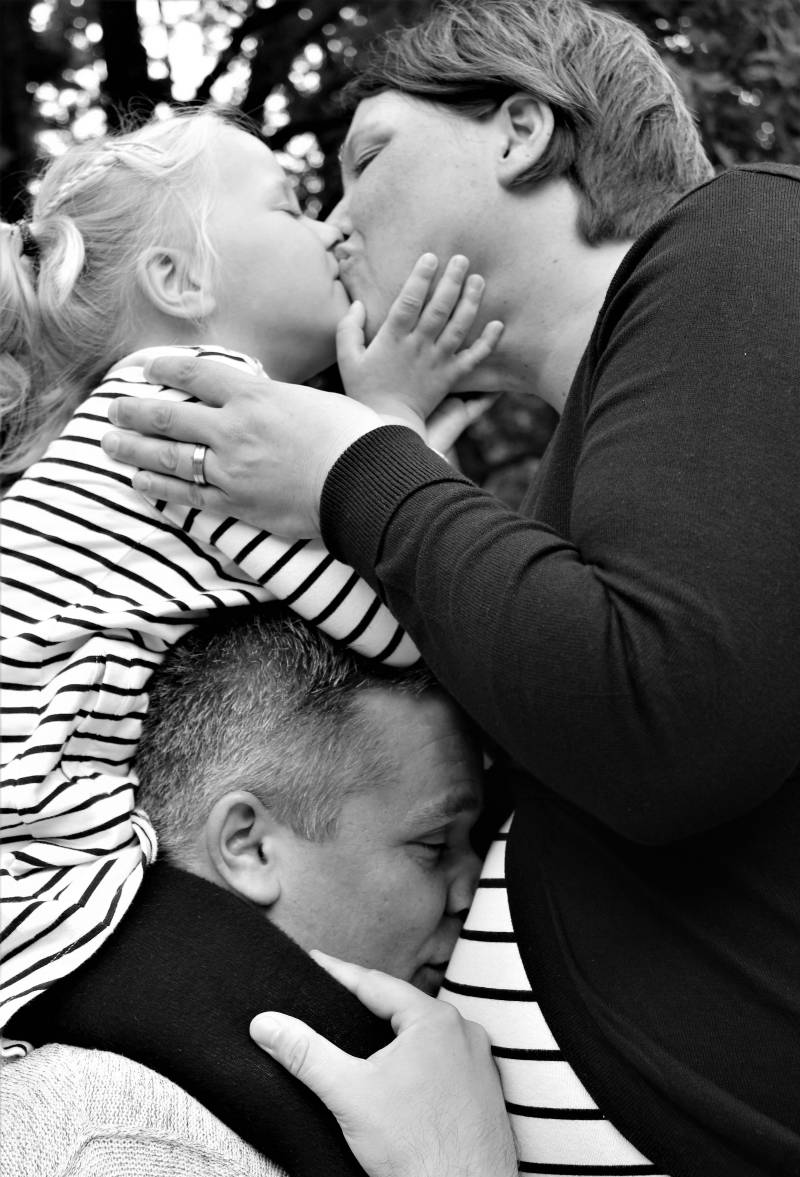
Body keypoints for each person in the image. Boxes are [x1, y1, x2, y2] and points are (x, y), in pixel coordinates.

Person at [99, 1, 800, 1177]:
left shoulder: (747, 236)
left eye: (365, 158)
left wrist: (354, 471)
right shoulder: (583, 486)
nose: (334, 227)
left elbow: (664, 714)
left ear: (521, 129)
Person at [0, 104, 502, 1044]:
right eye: (290, 207)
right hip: (43, 890)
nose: (331, 232)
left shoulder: (135, 419)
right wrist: (393, 420)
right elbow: (413, 627)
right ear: (179, 280)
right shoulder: (195, 411)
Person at [6, 603, 516, 1177]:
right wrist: (459, 1175)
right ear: (249, 846)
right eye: (434, 844)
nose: (472, 889)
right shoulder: (115, 1148)